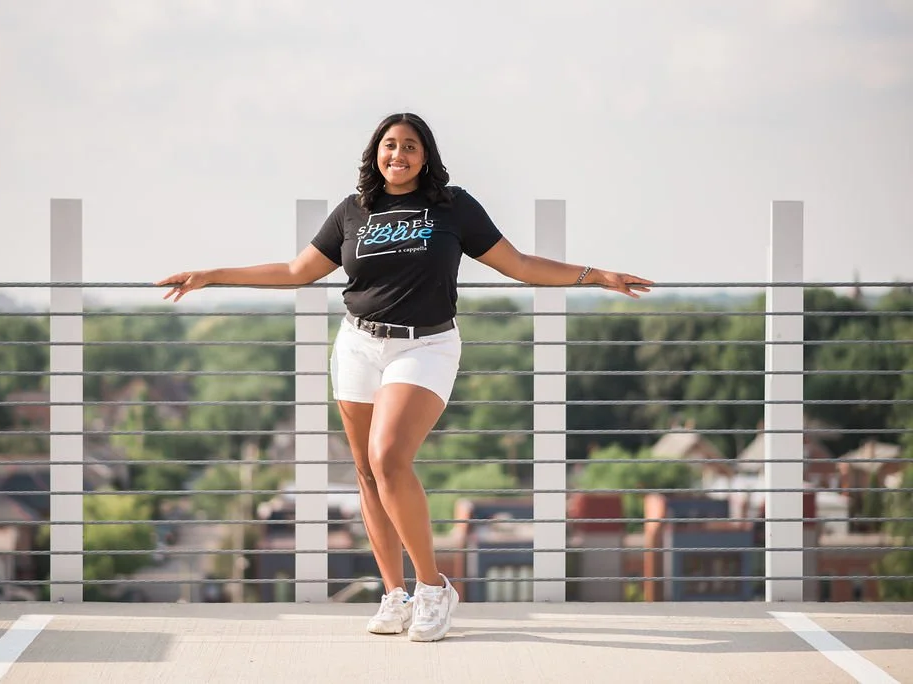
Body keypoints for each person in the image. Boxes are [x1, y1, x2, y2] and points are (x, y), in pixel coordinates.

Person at [156, 112, 653, 642]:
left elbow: (520, 265)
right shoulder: (354, 211)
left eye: (410, 146)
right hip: (357, 344)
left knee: (389, 458)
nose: (399, 155)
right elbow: (297, 271)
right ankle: (394, 595)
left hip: (426, 346)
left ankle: (433, 587)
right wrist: (210, 275)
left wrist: (596, 275)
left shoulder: (453, 207)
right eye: (389, 145)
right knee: (367, 475)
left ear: (426, 155)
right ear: (375, 153)